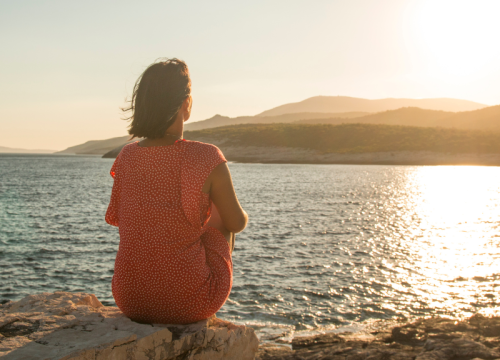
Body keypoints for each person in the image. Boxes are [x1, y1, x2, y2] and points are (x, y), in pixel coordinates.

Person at [105, 58, 248, 324]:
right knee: (220, 221)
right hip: (189, 302)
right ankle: (204, 309)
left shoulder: (126, 156)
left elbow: (122, 219)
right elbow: (236, 223)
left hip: (129, 300)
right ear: (187, 104)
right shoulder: (206, 156)